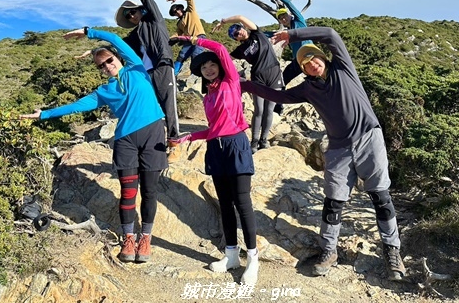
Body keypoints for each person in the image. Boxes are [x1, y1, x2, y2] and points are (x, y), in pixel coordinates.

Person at [240, 26, 406, 280]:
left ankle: (392, 252)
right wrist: (247, 85)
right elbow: (278, 96)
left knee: (380, 197)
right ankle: (329, 251)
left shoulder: (342, 69)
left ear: (323, 57)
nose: (311, 63)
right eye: (305, 63)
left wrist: (292, 36)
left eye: (314, 58)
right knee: (333, 202)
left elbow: (330, 34)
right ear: (303, 70)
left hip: (369, 138)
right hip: (339, 147)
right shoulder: (307, 89)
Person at [19, 27, 168, 264]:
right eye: (102, 65)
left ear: (118, 57)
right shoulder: (104, 91)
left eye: (109, 60)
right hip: (126, 141)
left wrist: (88, 32)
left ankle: (146, 237)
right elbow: (77, 106)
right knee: (128, 193)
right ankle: (129, 238)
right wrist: (44, 114)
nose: (108, 66)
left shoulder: (136, 68)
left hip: (153, 135)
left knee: (150, 191)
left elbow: (115, 38)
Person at [168, 35, 259, 286]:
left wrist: (191, 39)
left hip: (236, 146)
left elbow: (218, 48)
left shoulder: (231, 82)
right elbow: (213, 129)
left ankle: (252, 259)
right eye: (203, 68)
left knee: (243, 203)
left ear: (219, 66)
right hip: (216, 150)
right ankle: (231, 256)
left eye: (211, 65)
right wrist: (189, 137)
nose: (208, 69)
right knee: (225, 204)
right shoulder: (208, 96)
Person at [101, 0, 179, 140]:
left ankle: (174, 141)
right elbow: (119, 47)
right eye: (128, 16)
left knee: (169, 105)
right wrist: (95, 51)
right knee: (148, 106)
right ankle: (152, 140)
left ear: (140, 10)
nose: (131, 16)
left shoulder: (155, 20)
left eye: (132, 12)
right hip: (144, 74)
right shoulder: (135, 36)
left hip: (162, 66)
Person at [212, 15, 283, 153]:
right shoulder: (240, 50)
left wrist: (224, 21)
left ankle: (264, 140)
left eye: (239, 29)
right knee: (259, 110)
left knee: (269, 110)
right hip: (258, 78)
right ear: (236, 39)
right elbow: (225, 60)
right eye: (236, 34)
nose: (239, 32)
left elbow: (240, 17)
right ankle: (254, 141)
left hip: (274, 74)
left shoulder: (258, 34)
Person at [259, 0, 312, 86]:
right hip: (298, 60)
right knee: (282, 80)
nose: (283, 19)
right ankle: (277, 99)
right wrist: (252, 32)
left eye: (284, 15)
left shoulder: (299, 21)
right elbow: (267, 34)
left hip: (310, 54)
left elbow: (289, 4)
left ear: (289, 15)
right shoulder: (284, 33)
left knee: (317, 80)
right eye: (280, 18)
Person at [166, 0, 206, 75]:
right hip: (188, 40)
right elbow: (178, 33)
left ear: (181, 8)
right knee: (181, 55)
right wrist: (169, 40)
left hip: (198, 36)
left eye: (177, 9)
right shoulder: (179, 23)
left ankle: (197, 75)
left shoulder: (190, 12)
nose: (176, 11)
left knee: (196, 54)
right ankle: (174, 74)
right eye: (174, 12)